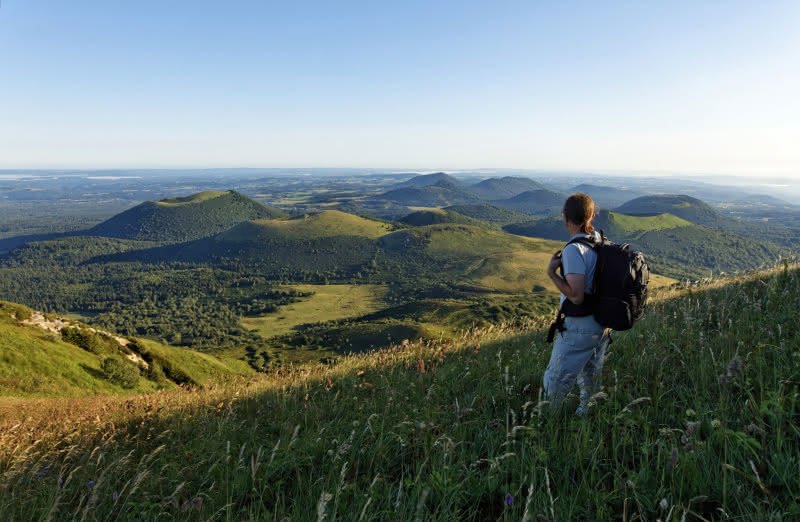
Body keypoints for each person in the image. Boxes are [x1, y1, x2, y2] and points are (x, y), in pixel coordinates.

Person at [543, 193, 610, 416]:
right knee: (590, 377)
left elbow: (576, 295)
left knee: (554, 381)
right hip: (601, 323)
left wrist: (552, 273)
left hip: (580, 325)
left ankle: (550, 425)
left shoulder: (573, 249)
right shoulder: (598, 240)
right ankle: (587, 417)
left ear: (565, 217)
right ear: (591, 215)